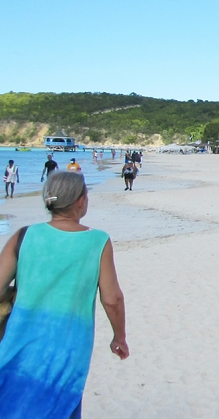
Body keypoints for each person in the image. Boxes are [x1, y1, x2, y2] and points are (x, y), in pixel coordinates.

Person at [0, 171, 129, 417]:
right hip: (69, 347)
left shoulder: (24, 236)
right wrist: (119, 337)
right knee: (60, 407)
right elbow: (112, 300)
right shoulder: (97, 241)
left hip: (19, 341)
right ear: (80, 201)